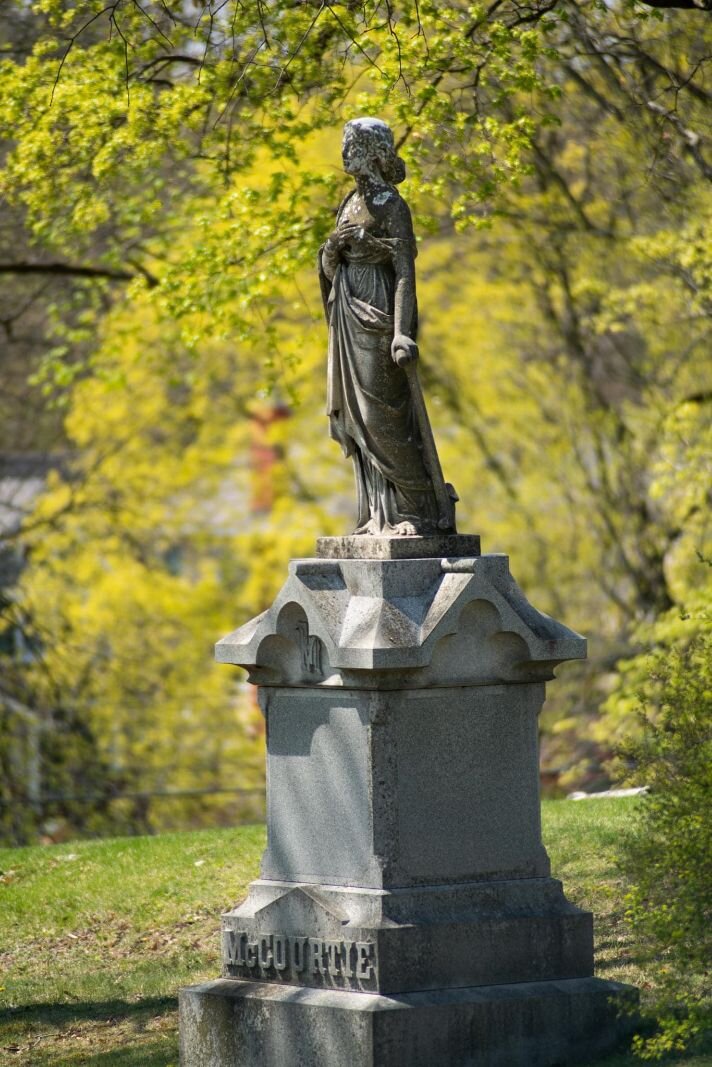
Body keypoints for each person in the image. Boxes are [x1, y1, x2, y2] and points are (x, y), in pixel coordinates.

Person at [318, 117, 454, 536]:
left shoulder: (393, 206)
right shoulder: (347, 203)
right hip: (347, 316)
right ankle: (379, 515)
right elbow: (328, 267)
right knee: (360, 423)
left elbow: (404, 273)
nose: (346, 151)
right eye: (345, 142)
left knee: (385, 417)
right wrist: (331, 251)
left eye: (353, 144)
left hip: (378, 315)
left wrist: (401, 331)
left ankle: (417, 510)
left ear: (374, 151)